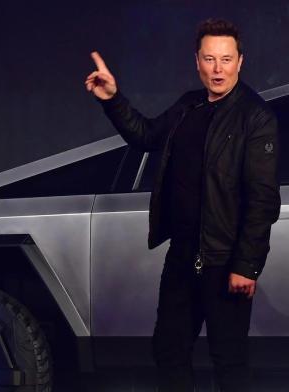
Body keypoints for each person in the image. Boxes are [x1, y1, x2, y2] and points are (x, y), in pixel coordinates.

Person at [85, 18, 280, 391]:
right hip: (183, 254)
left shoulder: (255, 118)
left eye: (226, 59)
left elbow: (262, 200)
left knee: (229, 361)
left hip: (226, 261)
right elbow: (145, 136)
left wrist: (247, 266)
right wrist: (112, 99)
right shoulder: (188, 105)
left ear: (240, 61)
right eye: (210, 59)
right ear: (197, 61)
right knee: (169, 351)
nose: (217, 69)